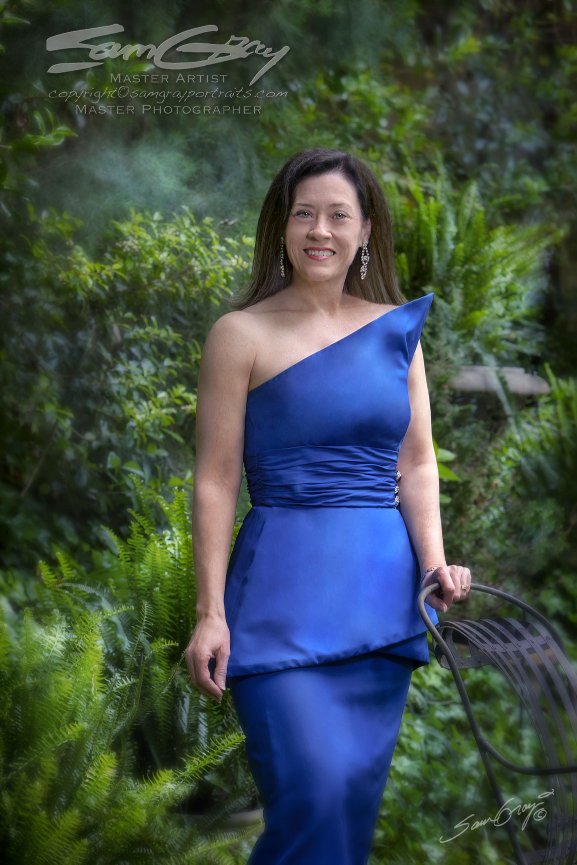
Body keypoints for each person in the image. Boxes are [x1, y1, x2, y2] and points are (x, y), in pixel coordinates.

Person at [185, 147, 471, 865]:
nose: (320, 230)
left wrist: (434, 563)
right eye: (303, 213)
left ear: (365, 229)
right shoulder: (239, 334)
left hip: (379, 603)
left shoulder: (396, 334)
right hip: (278, 604)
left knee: (344, 809)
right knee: (310, 798)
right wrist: (211, 612)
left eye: (338, 215)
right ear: (280, 227)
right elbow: (216, 479)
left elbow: (416, 462)